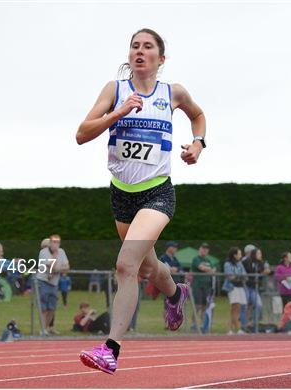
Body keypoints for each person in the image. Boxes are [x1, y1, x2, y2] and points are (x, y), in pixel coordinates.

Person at [77, 28, 205, 374]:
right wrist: (117, 113)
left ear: (160, 59)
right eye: (135, 46)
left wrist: (198, 144)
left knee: (126, 265)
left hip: (157, 192)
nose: (139, 51)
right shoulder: (114, 90)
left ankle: (111, 349)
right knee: (149, 268)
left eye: (148, 47)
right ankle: (176, 294)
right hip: (121, 195)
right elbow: (81, 134)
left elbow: (198, 115)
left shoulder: (172, 92)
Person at [36, 234, 70, 335]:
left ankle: (46, 328)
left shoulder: (62, 252)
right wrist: (55, 255)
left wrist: (58, 269)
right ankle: (42, 329)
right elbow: (51, 266)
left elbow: (67, 267)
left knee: (52, 308)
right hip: (43, 281)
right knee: (43, 307)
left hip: (54, 283)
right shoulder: (43, 253)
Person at [243, 247, 270, 329]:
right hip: (246, 287)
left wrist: (265, 272)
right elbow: (245, 272)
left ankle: (254, 324)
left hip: (254, 288)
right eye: (259, 253)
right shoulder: (246, 262)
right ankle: (243, 325)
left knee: (258, 305)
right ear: (254, 254)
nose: (260, 255)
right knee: (245, 305)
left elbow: (263, 271)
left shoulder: (261, 263)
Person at [222, 247, 247, 335]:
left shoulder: (240, 263)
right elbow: (230, 276)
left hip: (240, 287)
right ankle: (231, 328)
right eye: (239, 254)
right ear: (234, 255)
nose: (240, 256)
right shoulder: (227, 264)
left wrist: (238, 277)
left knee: (238, 308)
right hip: (232, 287)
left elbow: (244, 275)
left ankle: (236, 328)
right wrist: (239, 277)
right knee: (234, 307)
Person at [191, 243, 216, 328]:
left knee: (205, 306)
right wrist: (209, 269)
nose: (205, 250)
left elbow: (213, 270)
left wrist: (208, 269)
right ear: (200, 249)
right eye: (203, 248)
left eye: (206, 249)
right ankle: (193, 324)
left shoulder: (208, 260)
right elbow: (201, 267)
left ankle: (202, 324)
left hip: (207, 286)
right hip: (197, 285)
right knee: (197, 305)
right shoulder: (196, 259)